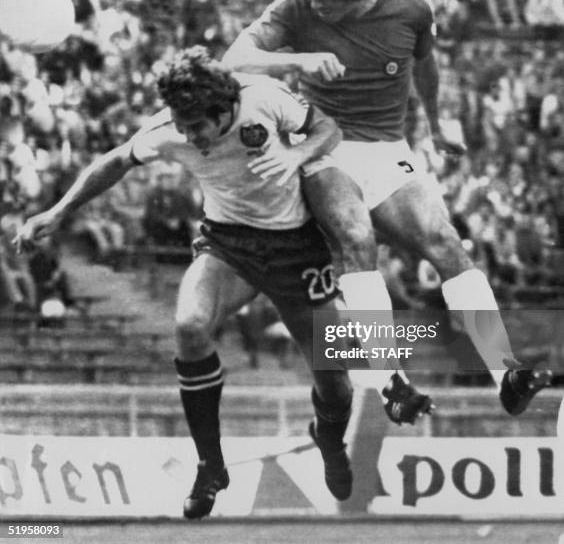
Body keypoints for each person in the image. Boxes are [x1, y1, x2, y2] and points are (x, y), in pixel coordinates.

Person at [16, 46, 368, 518]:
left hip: (297, 250)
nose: (191, 137)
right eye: (183, 127)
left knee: (337, 383)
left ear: (225, 108)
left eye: (199, 126)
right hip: (229, 245)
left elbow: (328, 127)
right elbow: (117, 160)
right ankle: (211, 465)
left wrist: (298, 154)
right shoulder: (170, 127)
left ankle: (327, 438)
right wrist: (58, 213)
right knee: (189, 326)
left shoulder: (263, 97)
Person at [222, 0, 552, 416]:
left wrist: (438, 127)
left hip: (388, 148)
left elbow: (426, 69)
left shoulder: (412, 9)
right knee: (356, 240)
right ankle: (389, 381)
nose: (312, 1)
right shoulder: (297, 7)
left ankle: (506, 372)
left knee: (445, 242)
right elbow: (232, 60)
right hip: (324, 145)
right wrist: (297, 58)